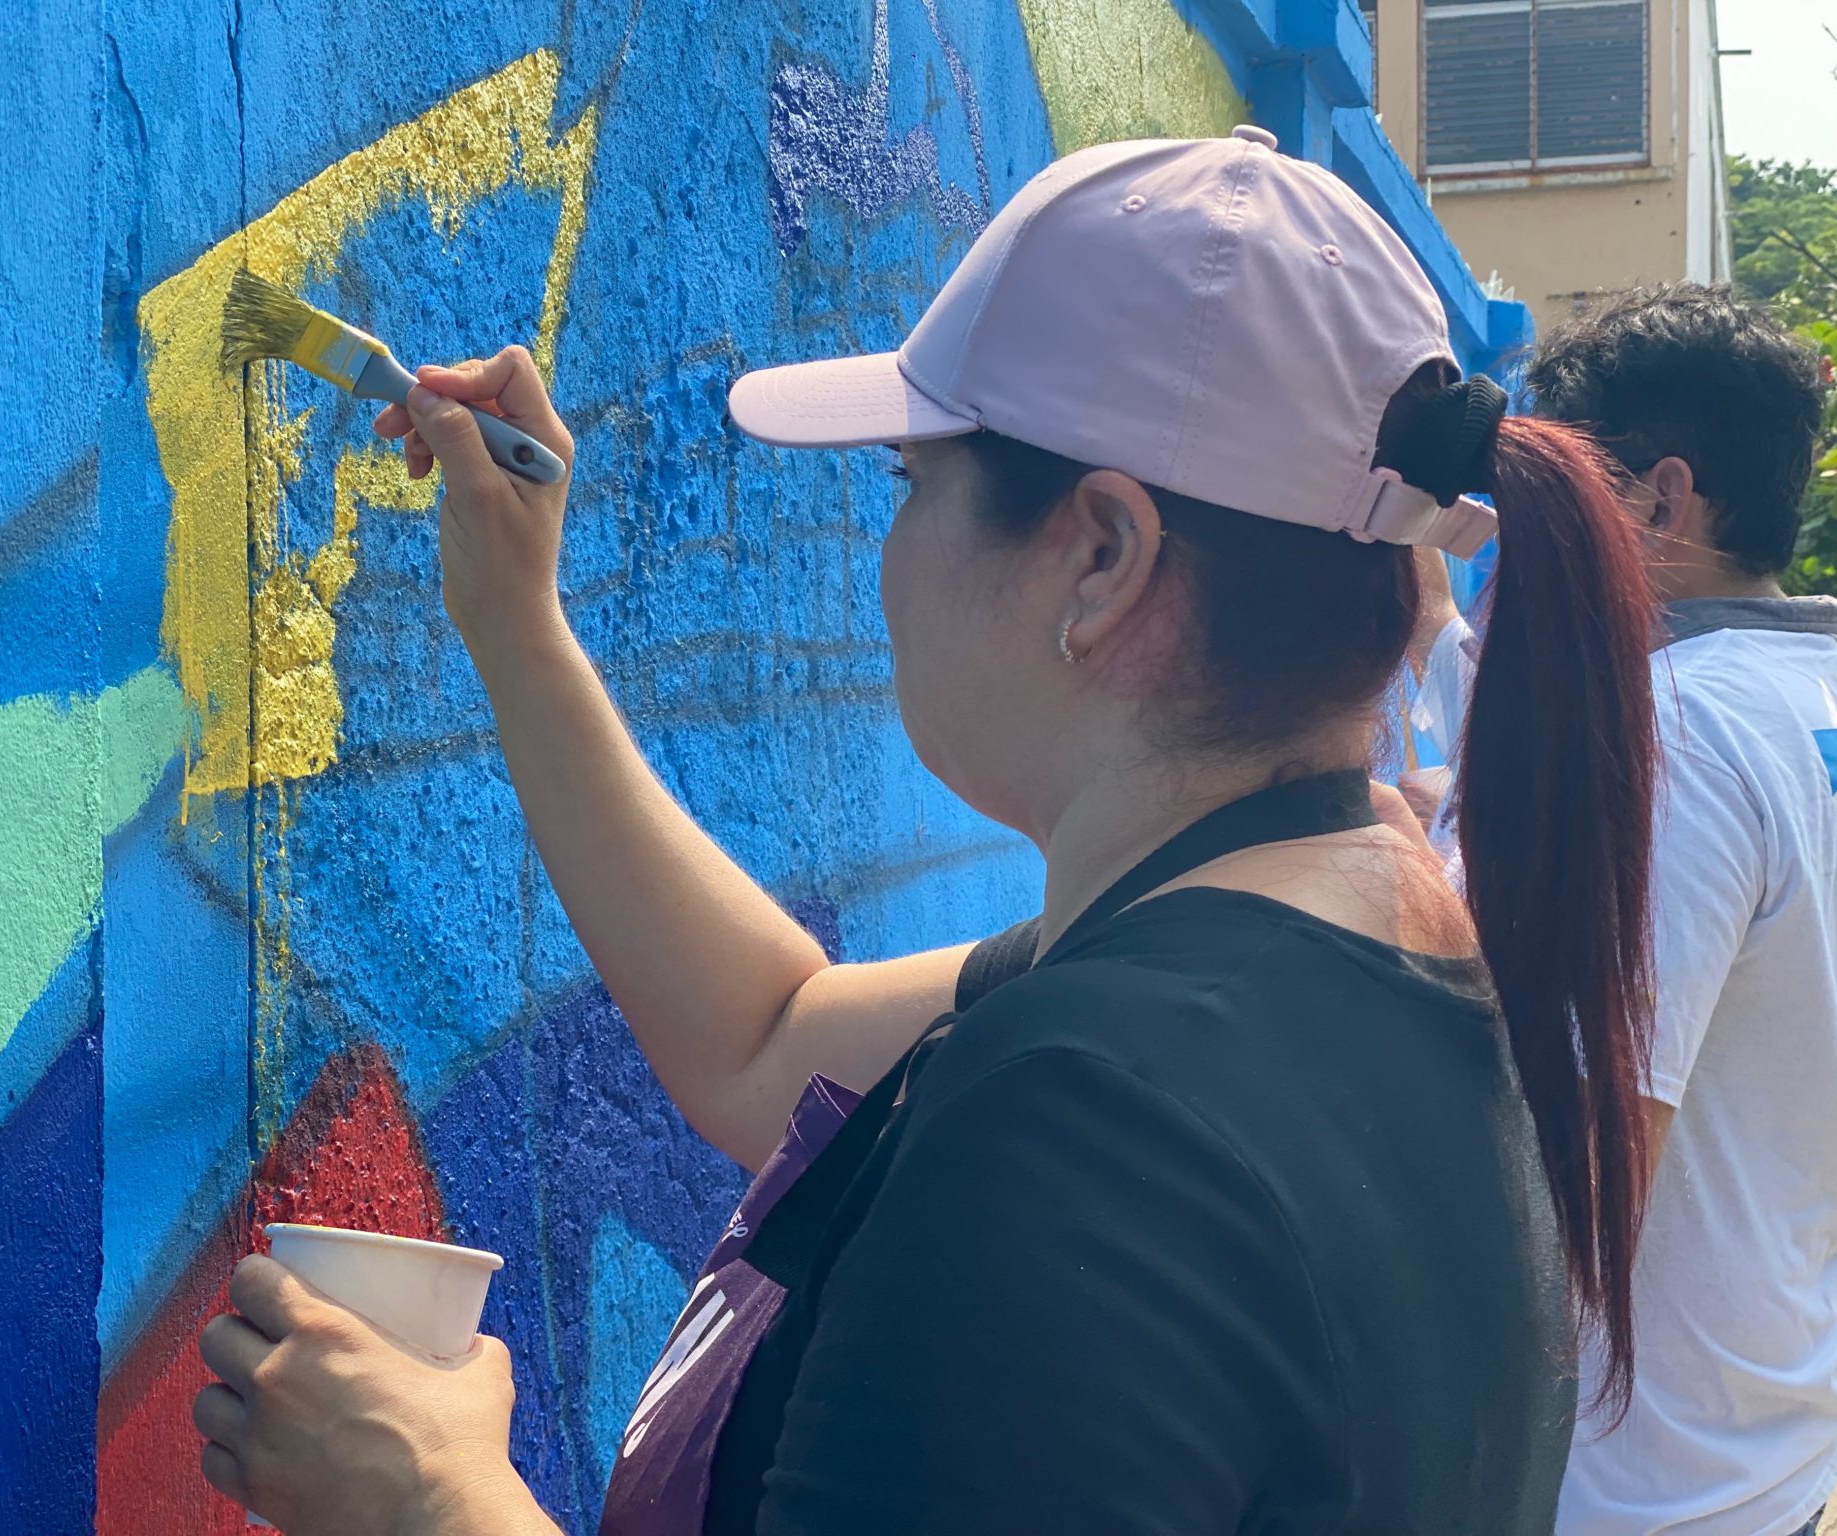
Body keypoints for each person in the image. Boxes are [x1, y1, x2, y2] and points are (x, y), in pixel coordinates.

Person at [190, 131, 1664, 1536]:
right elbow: (768, 1040)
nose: (887, 548)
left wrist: (425, 1495)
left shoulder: (1094, 1124)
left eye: (910, 481)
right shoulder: (1313, 952)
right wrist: (518, 626)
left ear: (1100, 555)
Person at [1413, 285, 1837, 1536]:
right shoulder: (1805, 693)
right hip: (1757, 1426)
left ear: (1660, 503)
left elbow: (1573, 1181)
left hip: (1634, 1487)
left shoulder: (1677, 738)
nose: (1532, 532)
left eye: (1562, 490)